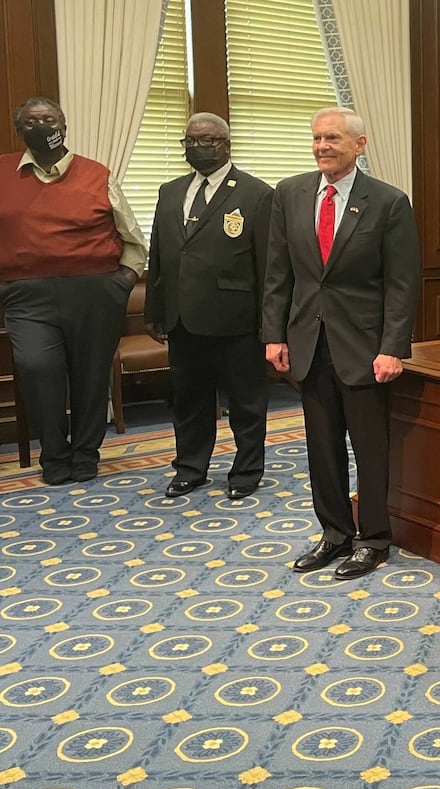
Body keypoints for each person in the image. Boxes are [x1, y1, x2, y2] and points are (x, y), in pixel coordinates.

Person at [0, 96, 146, 484]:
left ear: (64, 125)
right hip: (27, 294)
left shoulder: (96, 173)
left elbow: (133, 238)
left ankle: (85, 454)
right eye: (32, 120)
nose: (42, 125)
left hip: (95, 292)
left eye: (50, 118)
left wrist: (121, 282)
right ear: (20, 129)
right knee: (37, 368)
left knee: (91, 375)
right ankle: (54, 455)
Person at [262, 107, 420, 580]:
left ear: (359, 144)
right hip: (308, 342)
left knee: (369, 449)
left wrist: (393, 346)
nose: (322, 146)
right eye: (316, 138)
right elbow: (277, 271)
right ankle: (333, 534)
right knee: (321, 447)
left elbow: (402, 283)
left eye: (332, 138)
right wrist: (273, 333)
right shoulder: (289, 194)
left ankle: (372, 538)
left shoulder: (389, 202)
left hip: (365, 348)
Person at [143, 113, 273, 500]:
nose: (197, 148)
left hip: (236, 318)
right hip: (182, 317)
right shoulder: (170, 191)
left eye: (207, 140)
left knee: (246, 401)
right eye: (190, 141)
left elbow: (267, 264)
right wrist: (155, 308)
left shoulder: (257, 193)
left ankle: (246, 470)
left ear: (226, 144)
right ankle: (190, 468)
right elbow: (161, 255)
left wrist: (270, 323)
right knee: (188, 400)